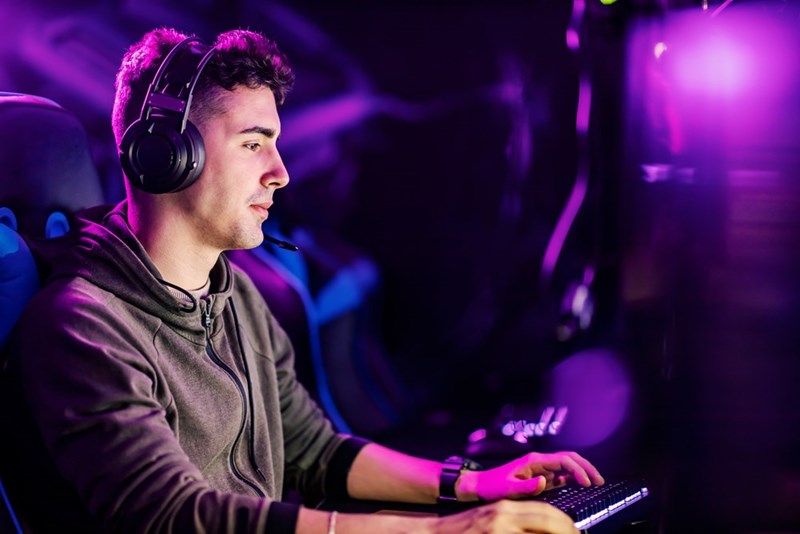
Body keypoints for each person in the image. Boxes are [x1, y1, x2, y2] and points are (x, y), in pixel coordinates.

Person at [0, 27, 604, 533]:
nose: (281, 173)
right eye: (254, 144)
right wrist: (443, 532)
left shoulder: (231, 293)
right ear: (165, 152)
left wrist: (471, 486)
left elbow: (312, 450)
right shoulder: (83, 326)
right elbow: (175, 516)